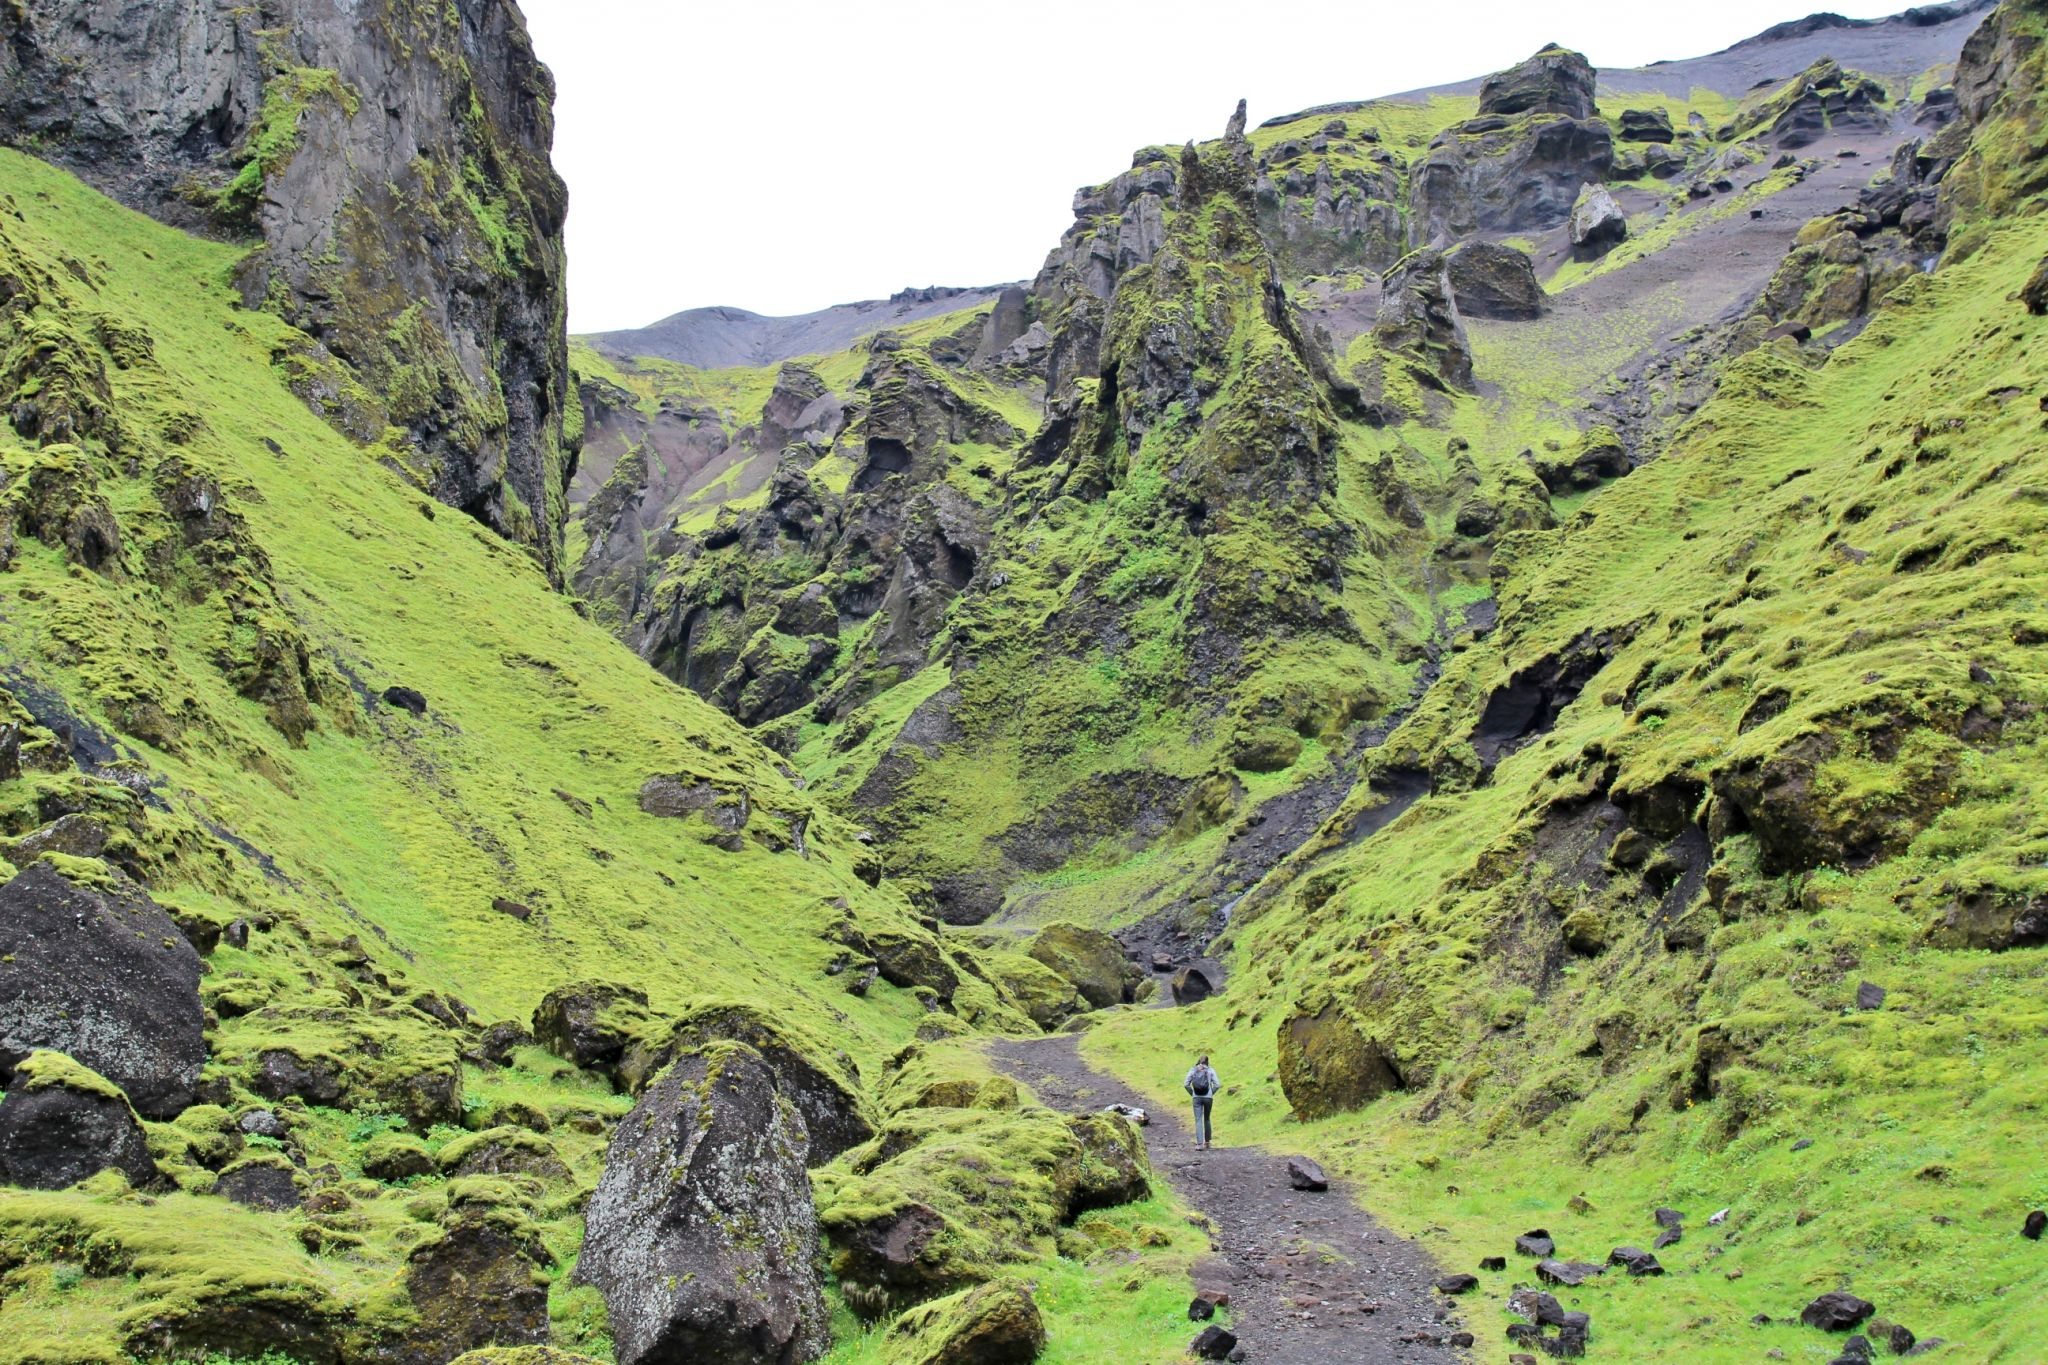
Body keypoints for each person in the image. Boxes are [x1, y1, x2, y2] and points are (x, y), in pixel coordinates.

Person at [1184, 1054, 1219, 1150]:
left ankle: (1199, 1144)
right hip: (1208, 1097)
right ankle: (1207, 1142)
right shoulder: (1210, 1070)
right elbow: (1217, 1084)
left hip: (1197, 1098)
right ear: (1207, 1061)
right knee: (1207, 1118)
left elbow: (1186, 1084)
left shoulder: (1193, 1070)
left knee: (1198, 1120)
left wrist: (1193, 1093)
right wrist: (1211, 1093)